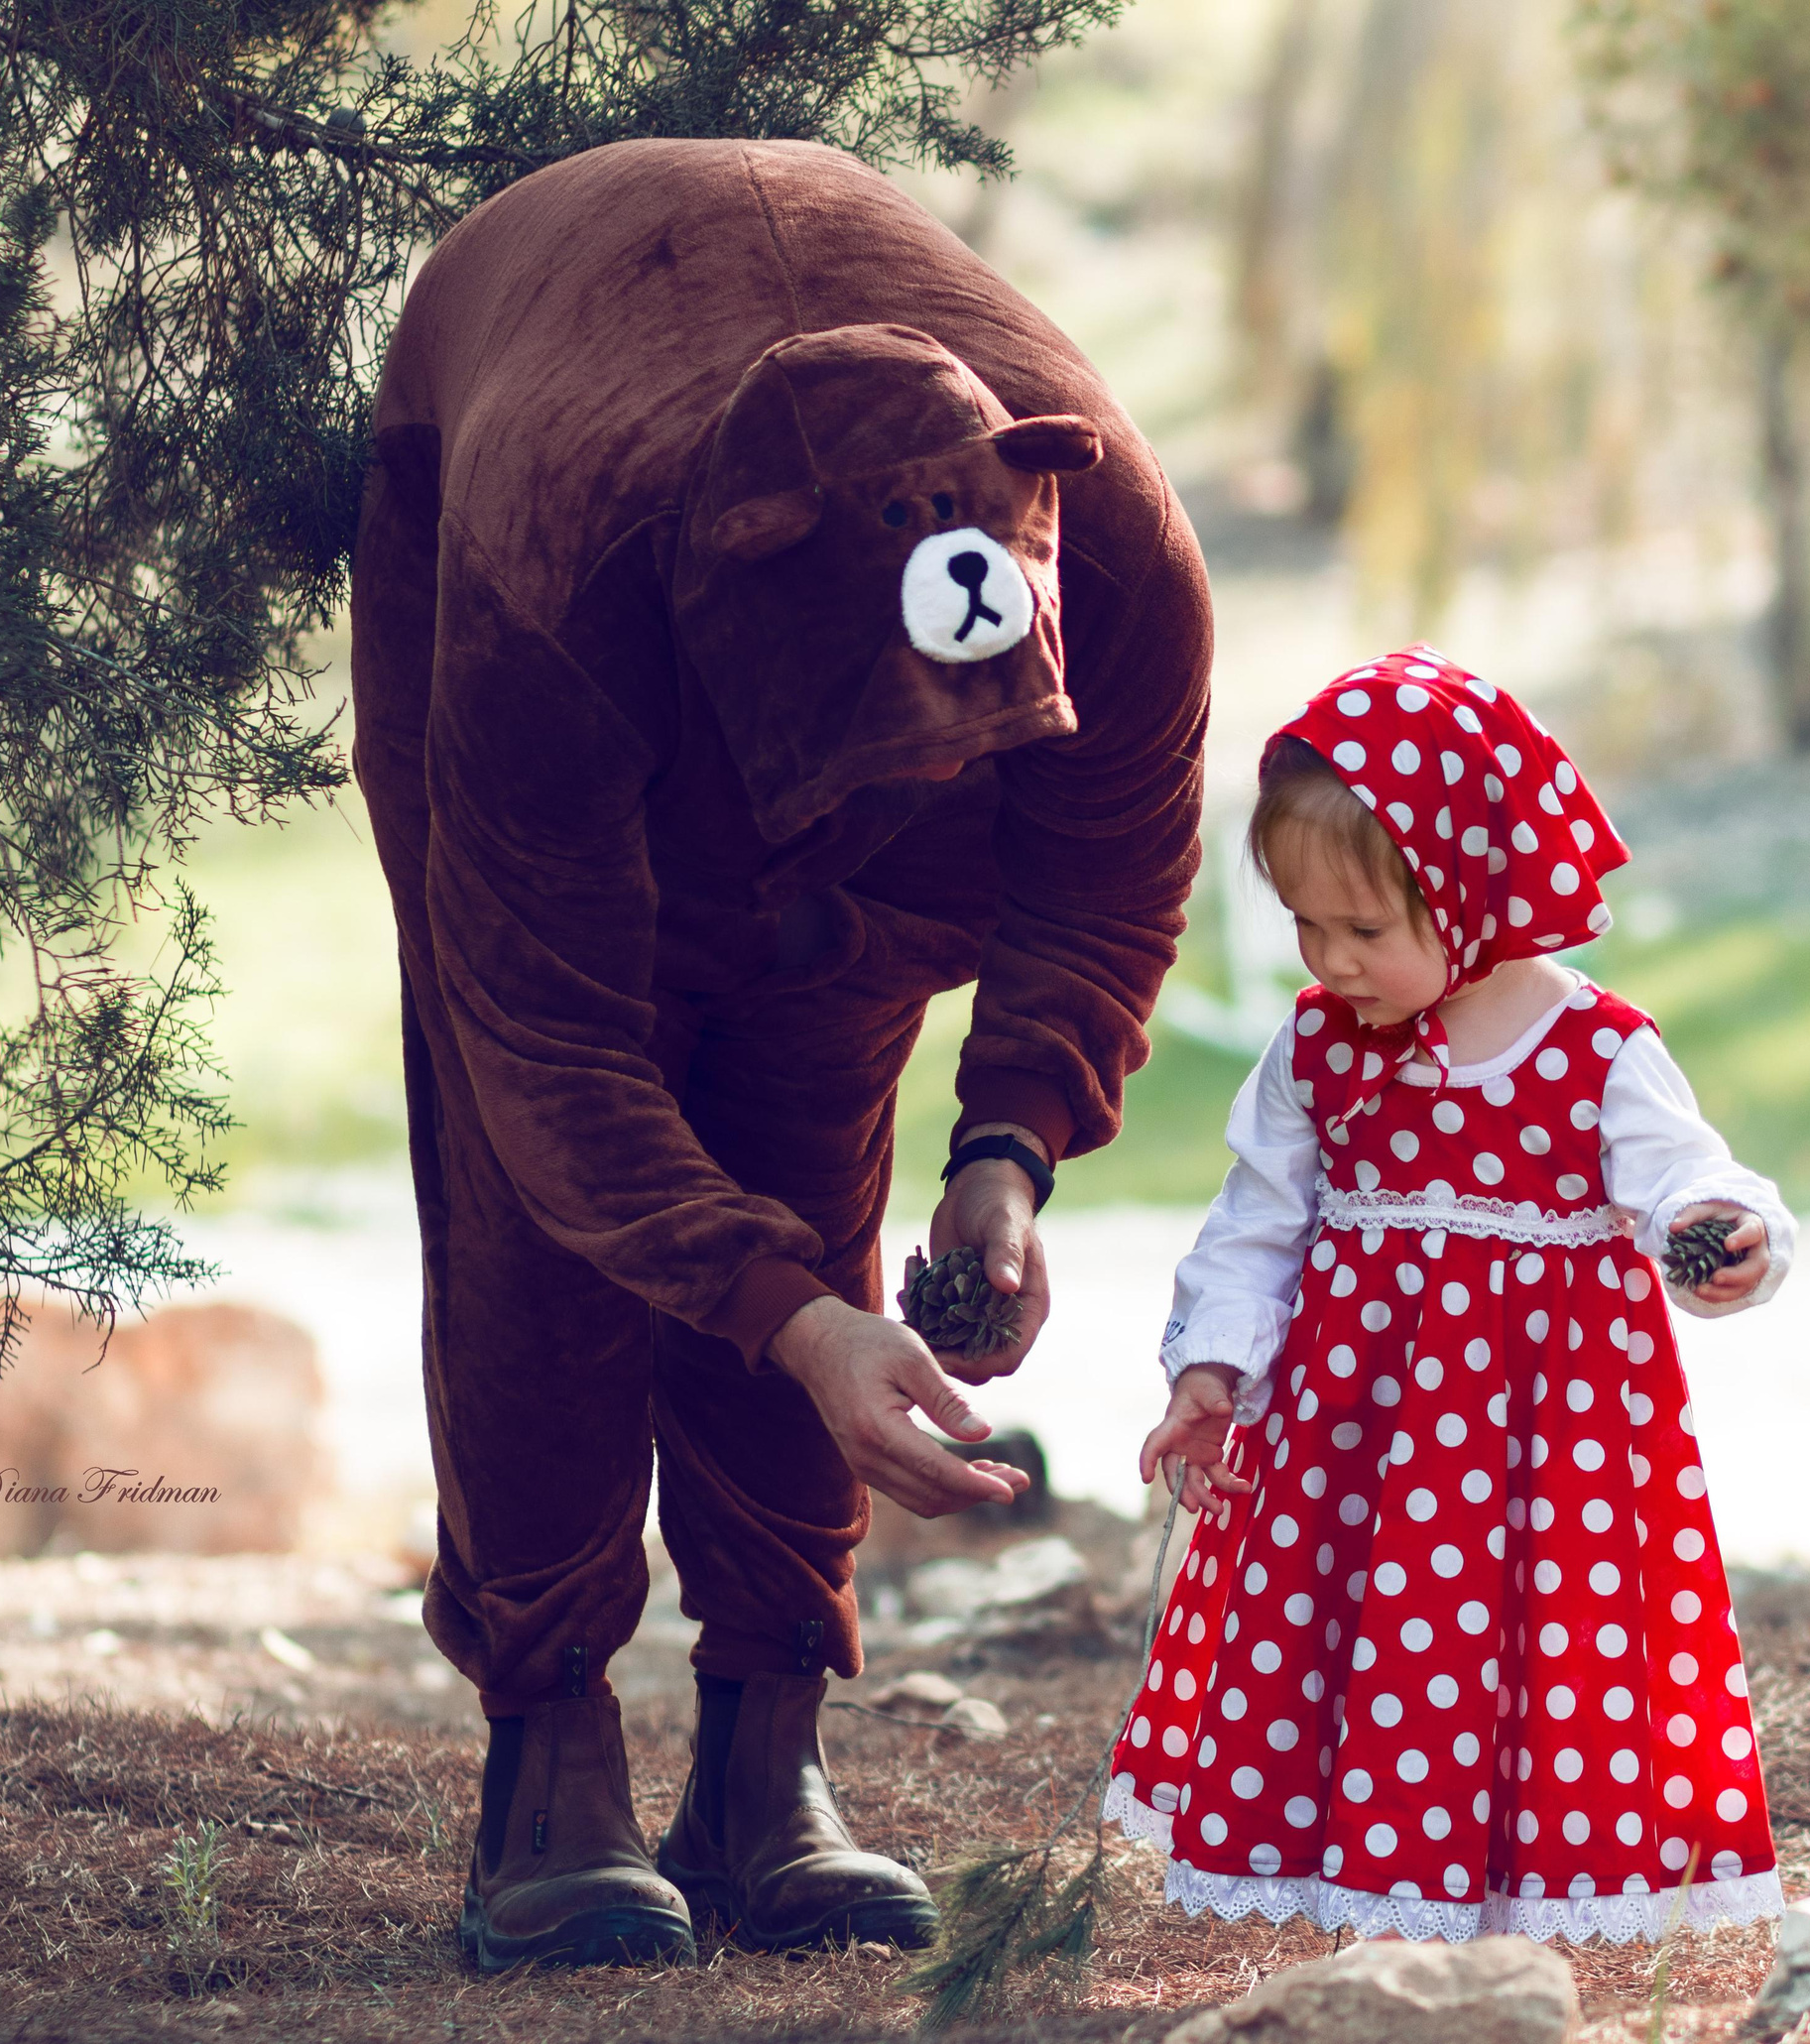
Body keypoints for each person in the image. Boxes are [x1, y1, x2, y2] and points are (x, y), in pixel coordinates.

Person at [350, 138, 1211, 1971]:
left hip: (802, 734)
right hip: (525, 529)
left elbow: (1104, 869)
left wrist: (1008, 1150)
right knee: (537, 1214)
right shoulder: (552, 572)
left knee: (815, 1127)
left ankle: (763, 1755)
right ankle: (551, 1740)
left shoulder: (1120, 548)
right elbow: (555, 1049)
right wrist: (795, 1321)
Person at [1107, 646, 1791, 1947]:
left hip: (1546, 1457)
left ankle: (1516, 1917)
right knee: (1367, 1649)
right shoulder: (1317, 1046)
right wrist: (1212, 1369)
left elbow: (1686, 1183)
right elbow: (1258, 1223)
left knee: (1534, 1662)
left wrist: (1725, 1234)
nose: (1333, 959)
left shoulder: (1597, 1050)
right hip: (1357, 1444)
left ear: (1473, 889)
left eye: (1366, 929)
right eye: (1306, 925)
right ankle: (1374, 1901)